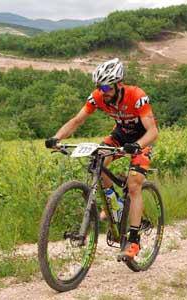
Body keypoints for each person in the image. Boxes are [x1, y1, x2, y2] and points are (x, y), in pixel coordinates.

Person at [45, 58, 158, 259]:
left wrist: (138, 146)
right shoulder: (98, 96)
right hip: (119, 136)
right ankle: (115, 203)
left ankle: (133, 240)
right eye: (100, 87)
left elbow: (153, 131)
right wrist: (57, 137)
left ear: (118, 84)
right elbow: (77, 120)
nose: (103, 91)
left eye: (106, 86)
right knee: (97, 162)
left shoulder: (136, 95)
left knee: (134, 185)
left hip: (142, 140)